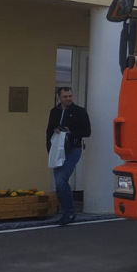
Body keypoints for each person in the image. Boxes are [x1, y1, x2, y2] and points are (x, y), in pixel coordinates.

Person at [46, 86, 91, 226]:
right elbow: (48, 132)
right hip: (57, 150)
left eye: (70, 96)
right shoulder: (54, 112)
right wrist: (50, 150)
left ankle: (70, 212)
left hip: (72, 149)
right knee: (59, 183)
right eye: (65, 97)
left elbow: (87, 131)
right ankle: (66, 211)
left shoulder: (80, 112)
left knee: (61, 180)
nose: (68, 99)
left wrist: (70, 132)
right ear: (59, 97)